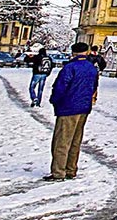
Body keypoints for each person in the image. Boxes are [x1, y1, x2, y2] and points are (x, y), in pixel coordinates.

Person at [43, 42, 100, 182]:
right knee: (75, 140)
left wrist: (55, 100)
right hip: (84, 107)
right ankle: (71, 169)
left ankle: (58, 171)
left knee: (62, 141)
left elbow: (60, 87)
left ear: (73, 52)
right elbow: (94, 86)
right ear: (86, 52)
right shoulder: (92, 68)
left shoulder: (69, 68)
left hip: (68, 107)